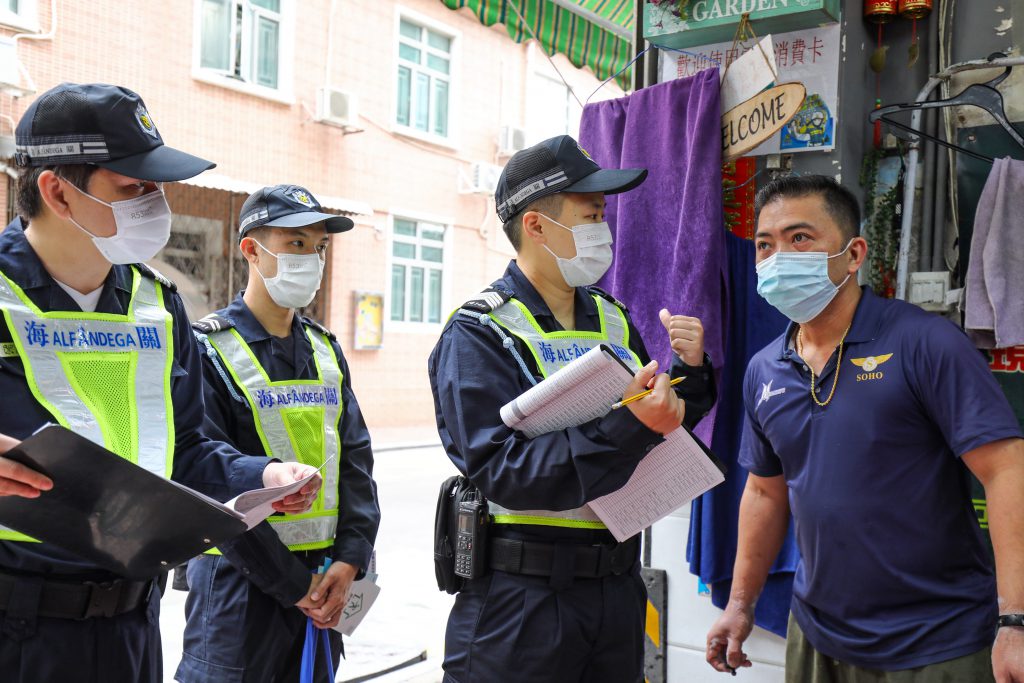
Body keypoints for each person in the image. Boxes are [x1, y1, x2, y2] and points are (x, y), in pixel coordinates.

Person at [0, 83, 320, 682]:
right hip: (18, 628)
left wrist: (263, 476)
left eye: (158, 186)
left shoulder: (158, 303)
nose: (155, 202)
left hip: (132, 625)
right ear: (57, 192)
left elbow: (187, 448)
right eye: (134, 187)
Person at [705, 175, 1024, 682]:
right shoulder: (764, 369)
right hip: (818, 635)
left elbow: (1007, 471)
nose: (778, 257)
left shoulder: (926, 343)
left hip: (938, 641)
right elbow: (765, 492)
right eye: (765, 245)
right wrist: (740, 605)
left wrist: (1016, 622)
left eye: (800, 238)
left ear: (853, 254)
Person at [428, 135, 717, 683]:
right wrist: (628, 425)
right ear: (536, 226)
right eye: (591, 216)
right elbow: (501, 471)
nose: (603, 230)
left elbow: (657, 422)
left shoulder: (612, 317)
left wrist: (691, 376)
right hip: (522, 601)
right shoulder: (479, 332)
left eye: (603, 215)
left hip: (615, 590)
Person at [176, 184, 380, 683]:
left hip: (326, 585)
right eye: (296, 244)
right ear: (252, 250)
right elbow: (209, 483)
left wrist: (351, 561)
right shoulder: (208, 350)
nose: (312, 259)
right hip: (238, 594)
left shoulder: (325, 351)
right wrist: (295, 586)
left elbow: (356, 465)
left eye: (319, 247)